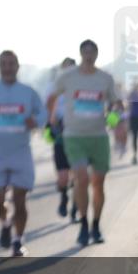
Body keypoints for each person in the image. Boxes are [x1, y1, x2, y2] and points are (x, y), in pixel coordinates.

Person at [0, 51, 46, 257]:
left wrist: (36, 121)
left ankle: (18, 240)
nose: (7, 67)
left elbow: (42, 113)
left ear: (17, 66)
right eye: (3, 64)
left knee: (20, 200)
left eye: (11, 63)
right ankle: (6, 222)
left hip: (20, 153)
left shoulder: (28, 92)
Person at [47, 40, 118, 247]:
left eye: (92, 52)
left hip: (98, 136)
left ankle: (96, 224)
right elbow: (52, 97)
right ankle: (84, 225)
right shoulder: (68, 77)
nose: (88, 56)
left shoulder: (105, 78)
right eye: (85, 52)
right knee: (81, 178)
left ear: (97, 54)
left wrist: (115, 119)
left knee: (98, 183)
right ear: (80, 54)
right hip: (74, 135)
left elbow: (115, 104)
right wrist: (51, 119)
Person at [44, 57, 77, 220]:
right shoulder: (54, 86)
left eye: (72, 68)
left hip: (78, 132)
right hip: (60, 132)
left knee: (79, 173)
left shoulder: (81, 84)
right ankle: (64, 197)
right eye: (66, 68)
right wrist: (50, 123)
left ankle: (77, 207)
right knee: (63, 176)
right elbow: (47, 106)